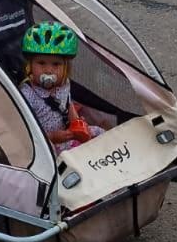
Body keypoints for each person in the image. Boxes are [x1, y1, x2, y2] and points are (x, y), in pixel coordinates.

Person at [18, 22, 113, 155]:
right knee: (79, 155)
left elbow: (68, 105)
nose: (48, 70)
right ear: (30, 65)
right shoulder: (26, 94)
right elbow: (24, 130)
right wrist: (51, 137)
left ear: (65, 67)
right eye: (41, 63)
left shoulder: (64, 84)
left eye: (56, 64)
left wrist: (77, 123)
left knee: (101, 134)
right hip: (47, 143)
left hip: (66, 133)